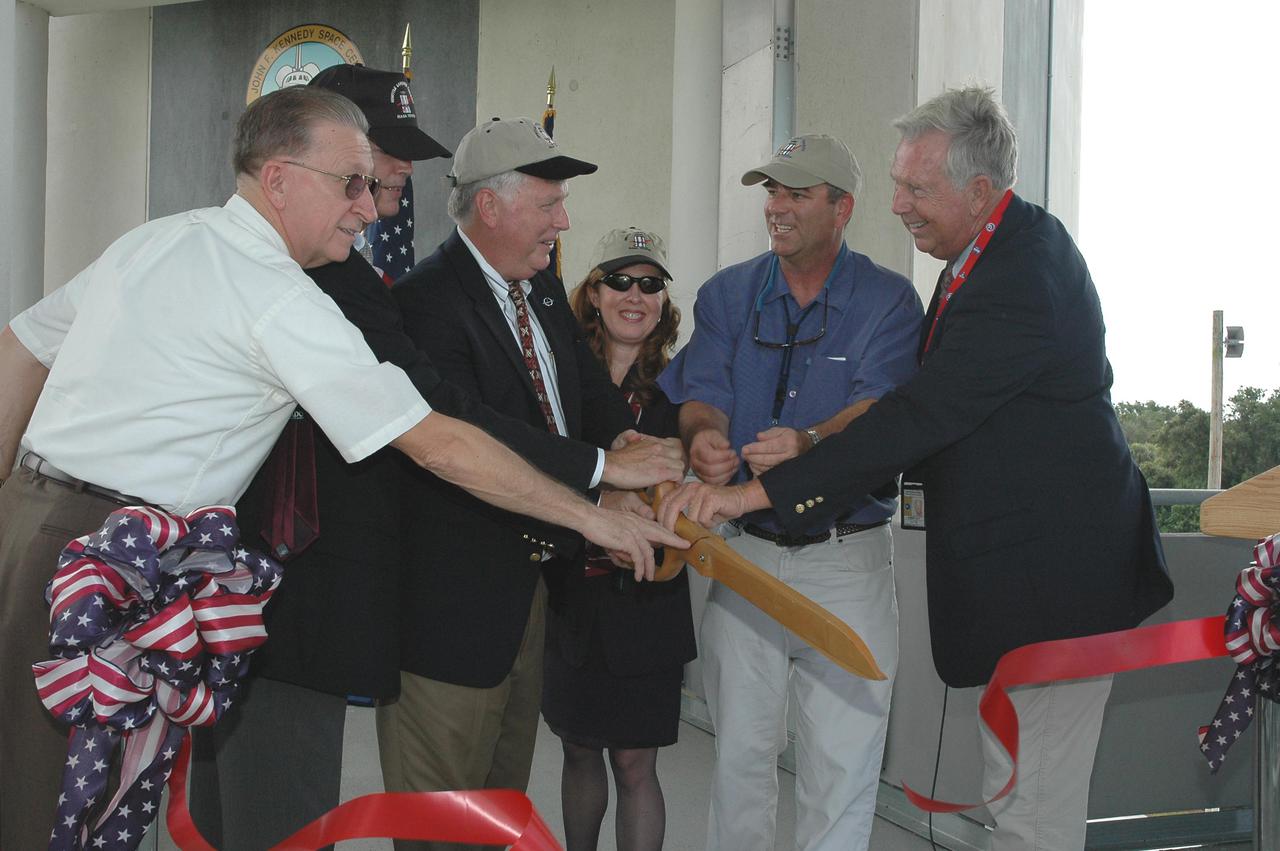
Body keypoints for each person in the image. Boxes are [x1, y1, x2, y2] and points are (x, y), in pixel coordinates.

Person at [0, 87, 685, 851]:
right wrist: (591, 514)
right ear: (281, 178)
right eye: (351, 183)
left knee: (55, 799)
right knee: (68, 811)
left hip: (36, 527)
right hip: (103, 564)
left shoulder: (156, 239)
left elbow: (19, 349)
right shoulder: (280, 298)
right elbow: (436, 442)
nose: (372, 208)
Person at [657, 87, 1175, 851]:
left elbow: (915, 414)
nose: (897, 203)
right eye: (897, 184)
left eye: (915, 187)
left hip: (1054, 589)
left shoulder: (1017, 274)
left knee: (1032, 812)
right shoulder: (985, 254)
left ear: (977, 190)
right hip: (1021, 586)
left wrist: (757, 493)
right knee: (1015, 796)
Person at [378, 118, 685, 849]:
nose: (564, 220)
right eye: (549, 204)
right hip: (451, 620)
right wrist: (603, 472)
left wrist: (630, 440)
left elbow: (581, 388)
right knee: (440, 821)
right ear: (492, 207)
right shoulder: (425, 301)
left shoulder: (539, 289)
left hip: (529, 606)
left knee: (496, 808)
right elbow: (471, 427)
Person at [656, 135, 923, 851]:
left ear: (843, 209)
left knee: (841, 770)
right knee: (739, 758)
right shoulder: (727, 294)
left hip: (847, 562)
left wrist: (810, 440)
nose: (776, 206)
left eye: (797, 193)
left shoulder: (890, 302)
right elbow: (700, 394)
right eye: (771, 191)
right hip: (744, 559)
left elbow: (882, 412)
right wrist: (705, 435)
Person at [543, 227, 697, 851]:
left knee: (636, 765)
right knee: (579, 752)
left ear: (663, 303)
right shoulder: (558, 387)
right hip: (574, 595)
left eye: (651, 284)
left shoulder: (685, 392)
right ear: (594, 292)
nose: (635, 294)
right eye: (620, 281)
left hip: (648, 600)